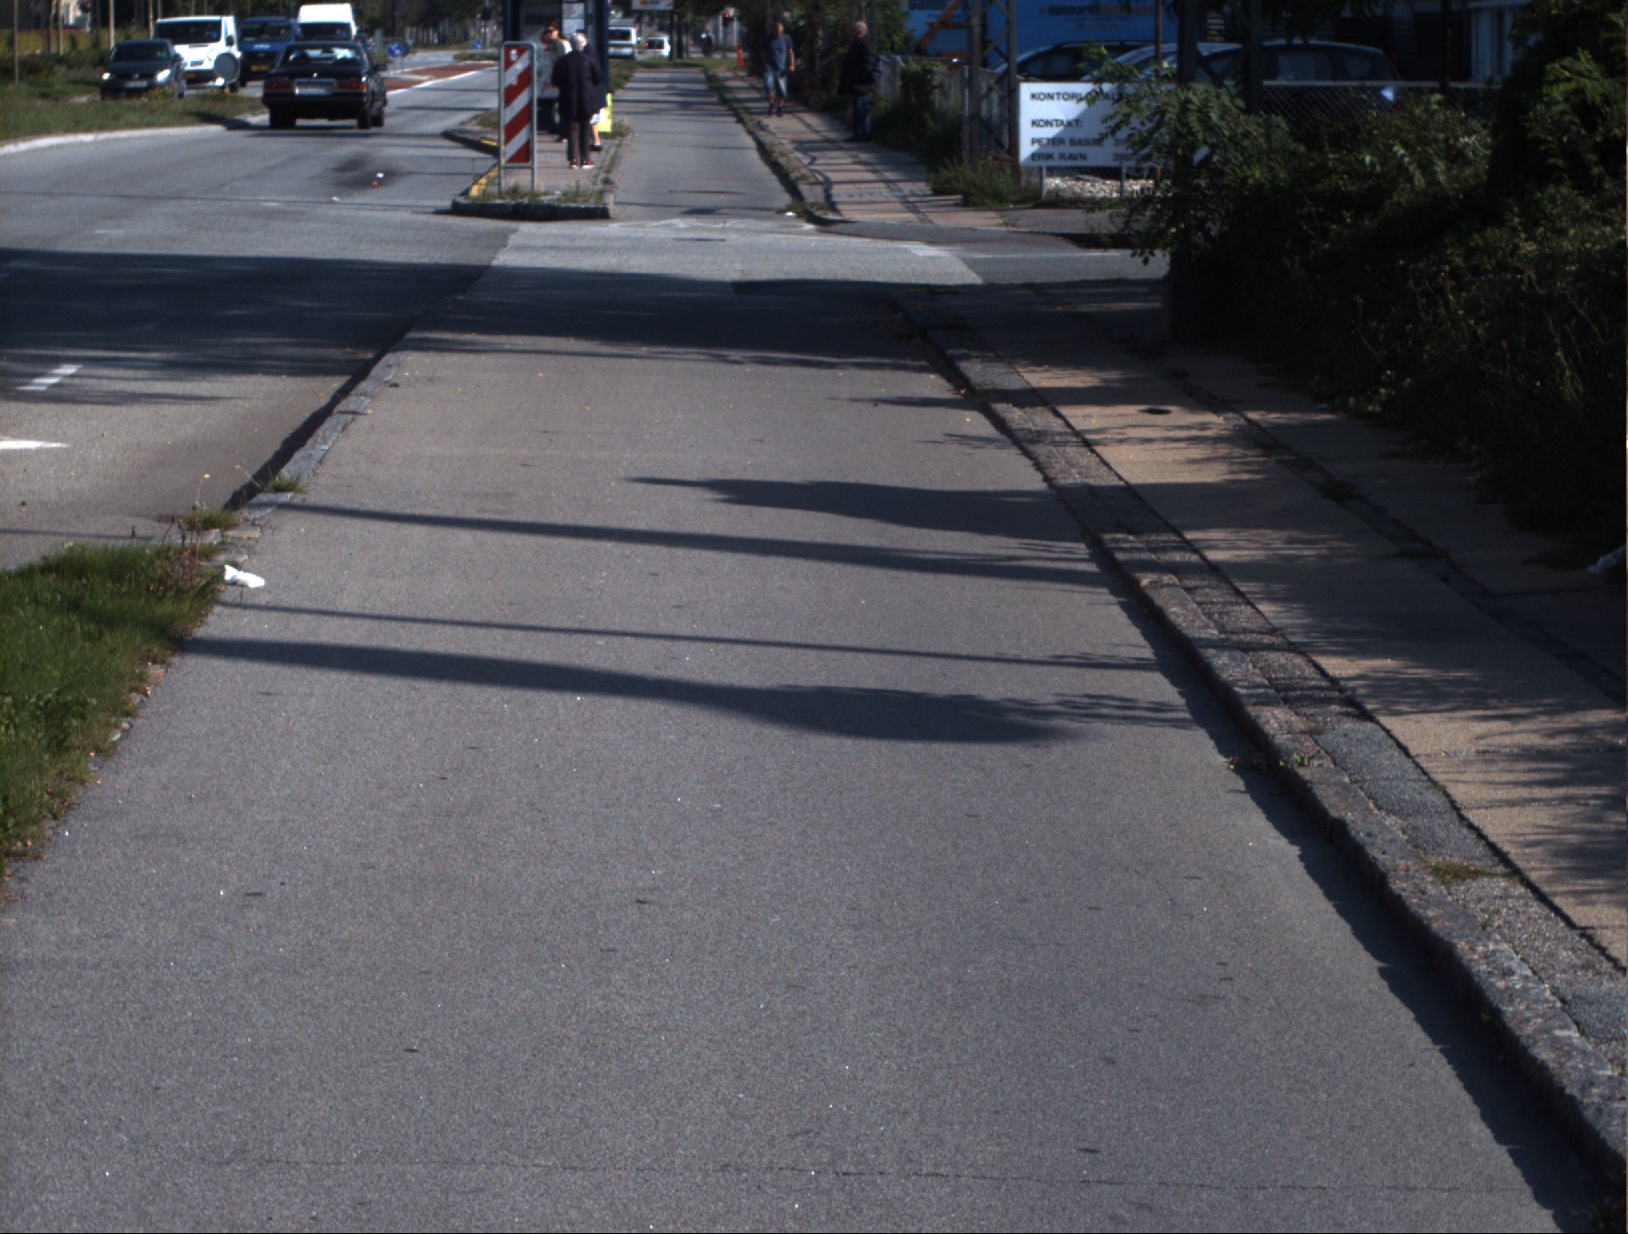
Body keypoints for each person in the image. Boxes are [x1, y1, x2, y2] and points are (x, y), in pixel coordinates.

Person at [551, 31, 603, 168]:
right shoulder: (590, 60)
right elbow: (598, 79)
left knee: (572, 129)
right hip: (586, 99)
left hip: (568, 99)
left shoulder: (563, 61)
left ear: (571, 44)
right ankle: (585, 159)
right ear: (583, 44)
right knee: (585, 129)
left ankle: (573, 159)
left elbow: (555, 80)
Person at [838, 21, 877, 141]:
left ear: (860, 32)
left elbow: (868, 65)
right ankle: (857, 133)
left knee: (863, 109)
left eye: (853, 30)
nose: (851, 33)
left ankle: (865, 133)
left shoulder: (866, 46)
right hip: (854, 83)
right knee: (856, 109)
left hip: (862, 84)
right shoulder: (855, 45)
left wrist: (858, 77)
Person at [762, 21, 793, 117]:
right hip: (770, 67)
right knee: (769, 87)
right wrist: (766, 62)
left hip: (781, 67)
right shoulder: (768, 39)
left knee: (782, 90)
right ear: (773, 30)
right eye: (777, 31)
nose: (778, 33)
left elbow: (790, 51)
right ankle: (771, 104)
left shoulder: (786, 39)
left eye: (780, 31)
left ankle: (780, 108)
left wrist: (792, 64)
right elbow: (763, 51)